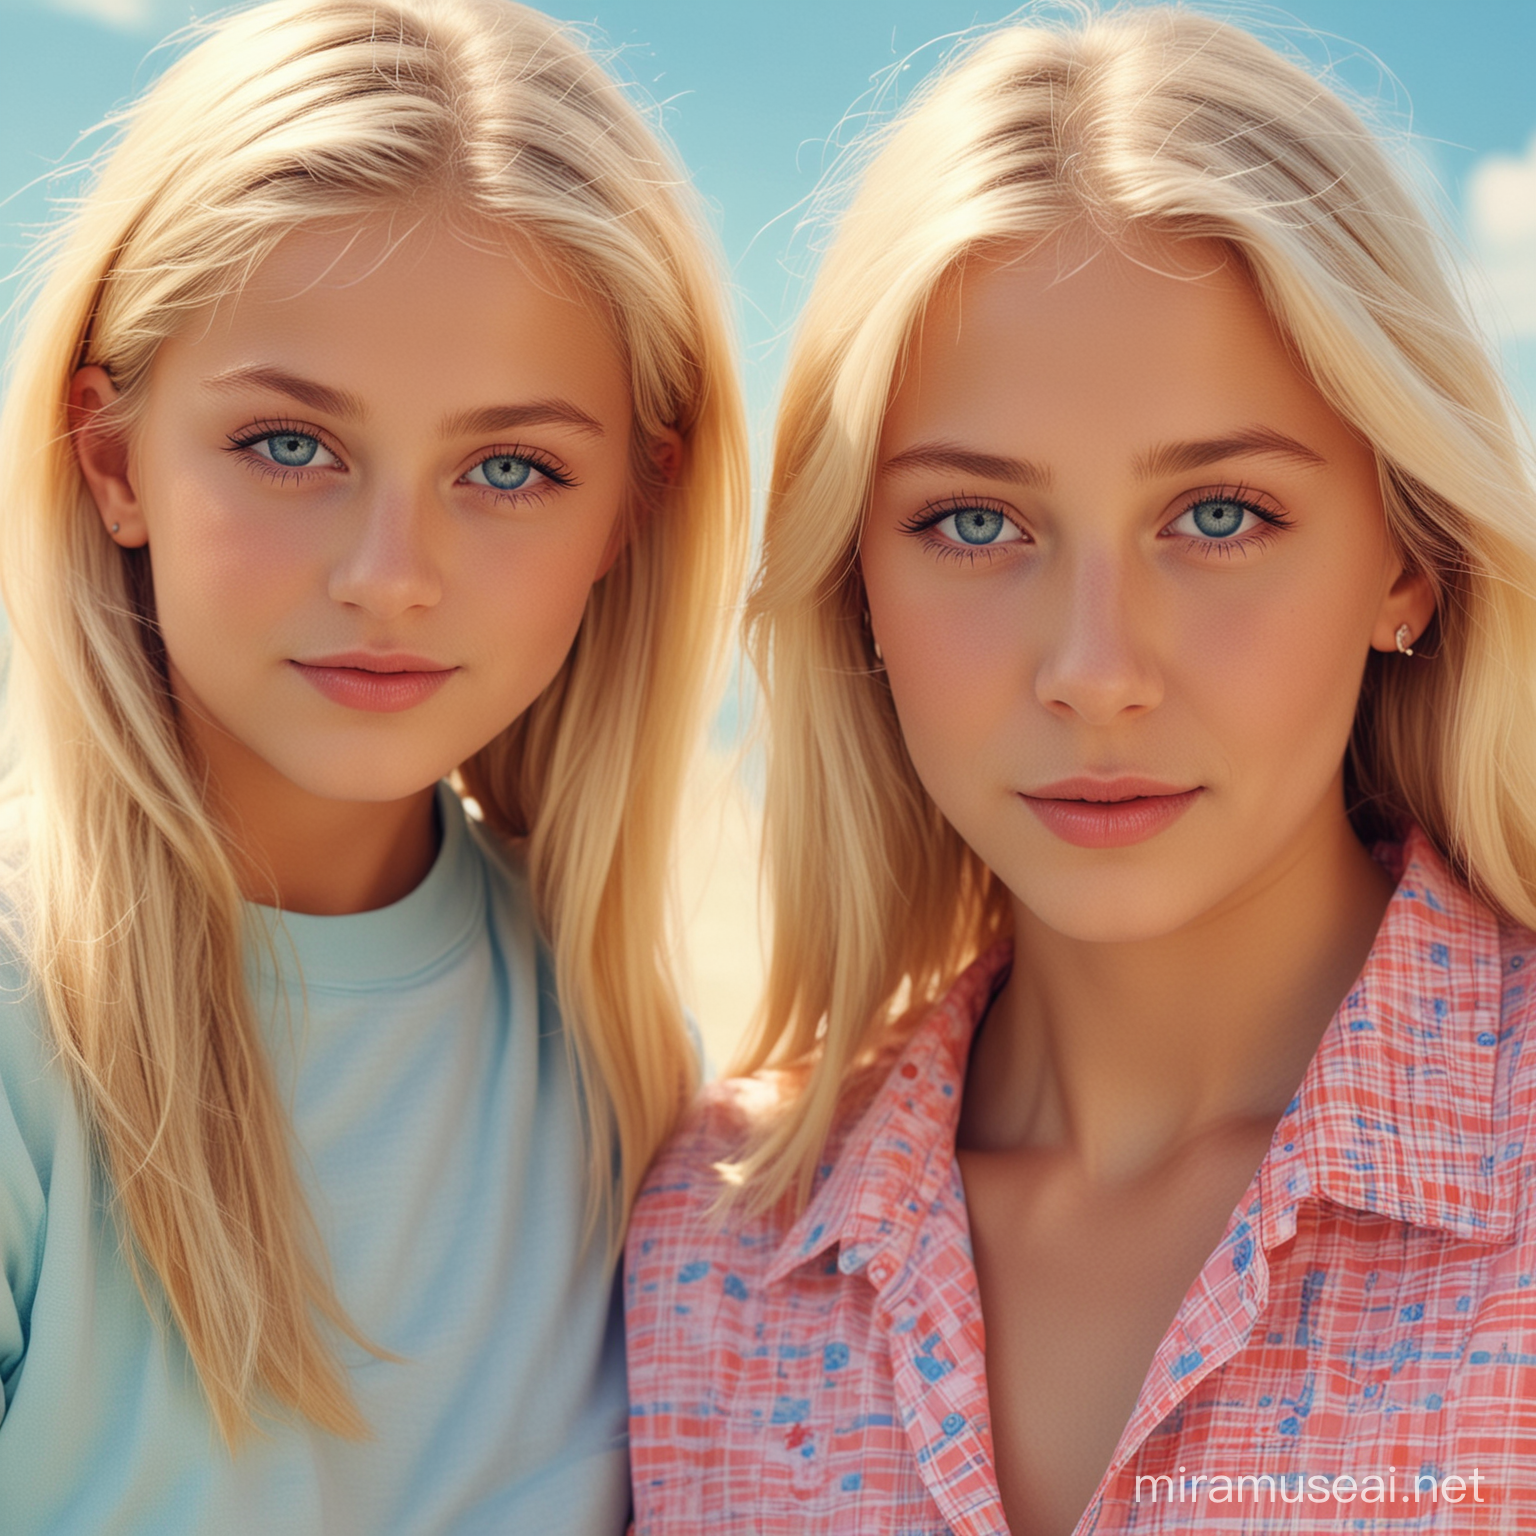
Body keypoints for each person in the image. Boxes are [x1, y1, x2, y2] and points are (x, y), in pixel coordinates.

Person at [624, 8, 1536, 1533]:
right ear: (855, 588)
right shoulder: (711, 1245)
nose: (1096, 670)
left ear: (1411, 563)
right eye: (976, 524)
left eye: (1223, 514)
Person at [0, 0, 747, 1529]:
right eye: (291, 444)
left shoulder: (620, 1055)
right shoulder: (26, 1030)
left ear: (628, 515)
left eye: (508, 470)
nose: (390, 573)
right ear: (114, 457)